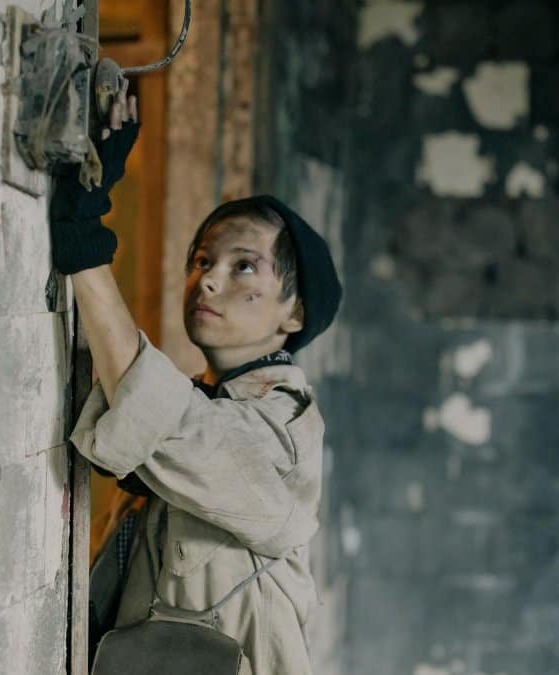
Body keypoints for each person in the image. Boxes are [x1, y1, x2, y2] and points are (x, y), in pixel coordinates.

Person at [52, 83, 342, 675]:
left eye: (244, 267)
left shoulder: (283, 431)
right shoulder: (205, 400)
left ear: (294, 313)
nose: (208, 281)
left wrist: (84, 238)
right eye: (203, 261)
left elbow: (167, 424)